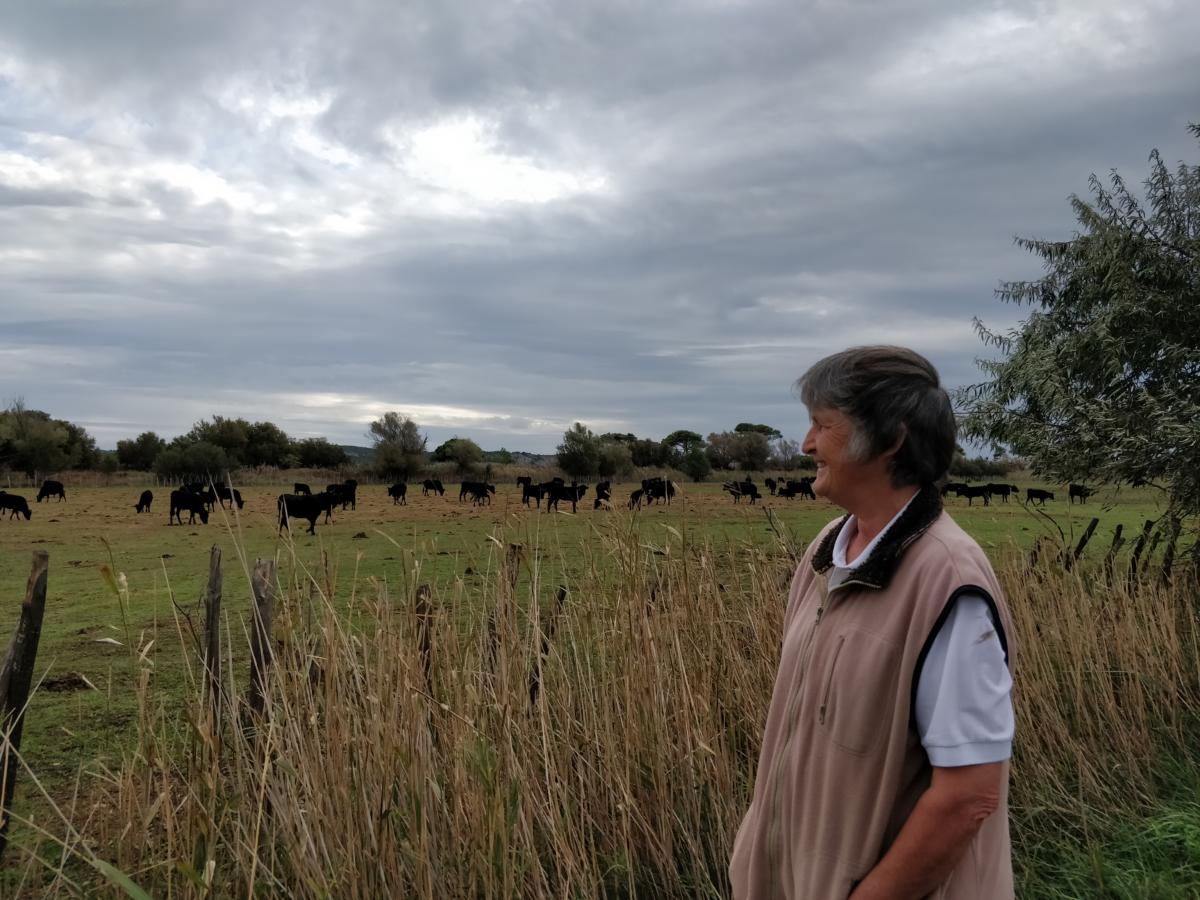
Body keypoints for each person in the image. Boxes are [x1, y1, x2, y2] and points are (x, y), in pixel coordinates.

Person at [729, 346, 1016, 899]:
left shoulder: (948, 580)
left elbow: (969, 797)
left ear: (890, 439)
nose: (807, 444)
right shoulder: (826, 552)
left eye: (822, 425)